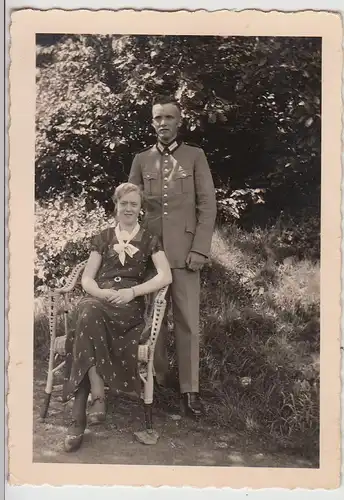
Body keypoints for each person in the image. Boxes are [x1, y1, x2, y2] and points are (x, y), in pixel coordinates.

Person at [62, 182, 172, 452]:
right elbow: (87, 278)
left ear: (140, 208)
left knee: (88, 319)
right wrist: (100, 292)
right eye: (124, 203)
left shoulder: (149, 239)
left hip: (127, 307)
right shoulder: (104, 237)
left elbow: (165, 276)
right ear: (116, 205)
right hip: (100, 299)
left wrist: (132, 291)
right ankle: (95, 397)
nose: (129, 209)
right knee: (87, 311)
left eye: (134, 204)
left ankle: (81, 416)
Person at [128, 94, 217, 418]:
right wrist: (133, 247)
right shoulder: (141, 160)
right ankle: (156, 380)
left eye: (169, 117)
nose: (163, 123)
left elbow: (207, 206)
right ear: (152, 123)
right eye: (157, 118)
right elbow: (129, 207)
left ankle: (189, 392)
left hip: (185, 256)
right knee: (151, 320)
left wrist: (200, 249)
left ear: (179, 122)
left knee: (188, 324)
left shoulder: (195, 157)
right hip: (152, 257)